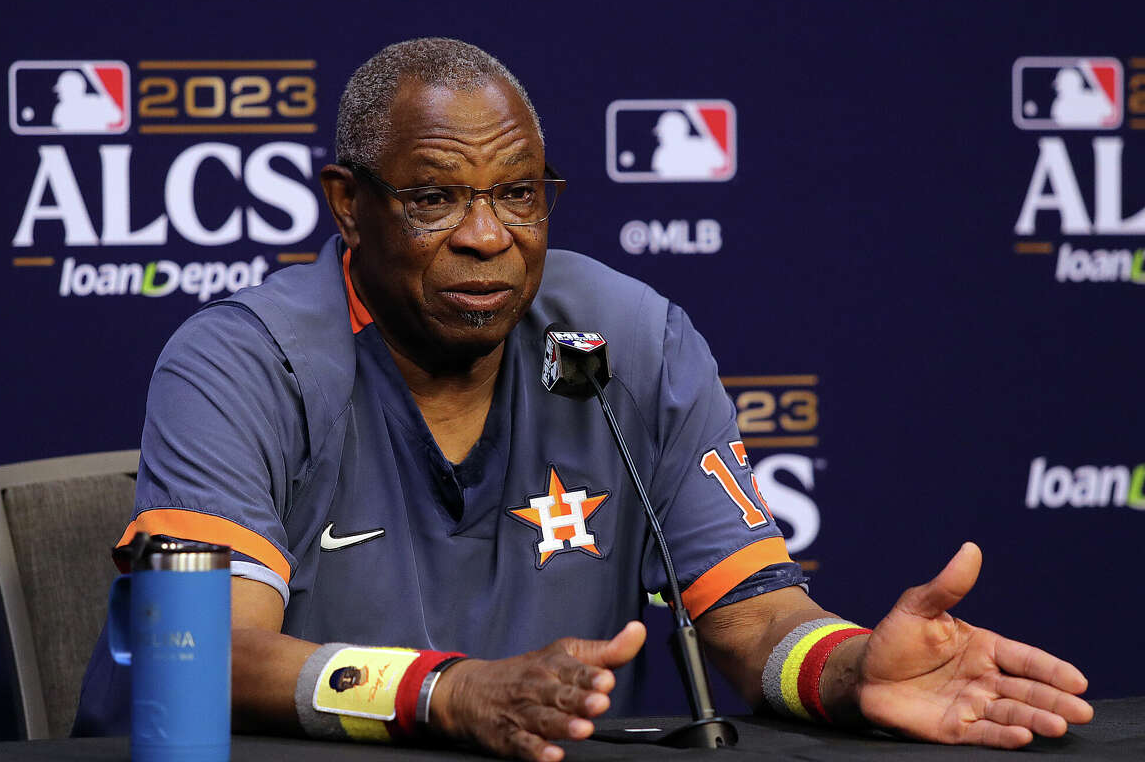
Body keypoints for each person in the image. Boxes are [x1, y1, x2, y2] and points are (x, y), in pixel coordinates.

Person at [74, 38, 1091, 761]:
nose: (488, 235)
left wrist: (853, 667)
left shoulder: (623, 337)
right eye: (435, 198)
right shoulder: (241, 360)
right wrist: (450, 690)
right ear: (349, 203)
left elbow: (748, 612)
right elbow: (206, 658)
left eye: (519, 194)